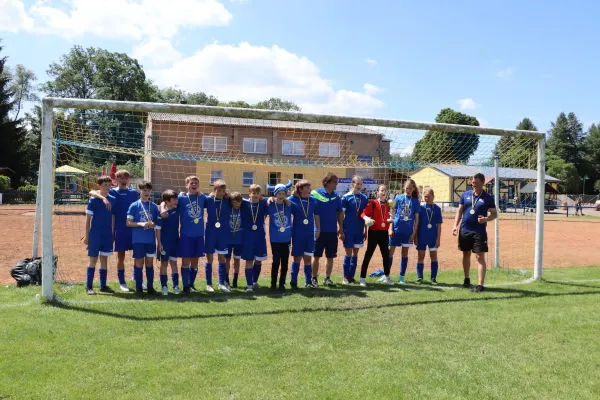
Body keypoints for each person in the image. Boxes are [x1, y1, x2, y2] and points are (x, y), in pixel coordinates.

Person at [89, 169, 138, 292]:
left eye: (126, 178)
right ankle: (122, 282)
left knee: (138, 255)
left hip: (134, 228)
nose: (123, 180)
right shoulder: (112, 193)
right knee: (120, 256)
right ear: (116, 180)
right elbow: (92, 192)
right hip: (120, 229)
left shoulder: (134, 193)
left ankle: (136, 278)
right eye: (121, 178)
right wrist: (103, 198)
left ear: (128, 179)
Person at [452, 173, 497, 293]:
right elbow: (459, 211)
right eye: (472, 183)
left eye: (476, 183)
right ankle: (466, 279)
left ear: (483, 183)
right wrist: (455, 225)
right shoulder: (465, 195)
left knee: (479, 256)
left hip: (479, 231)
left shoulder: (488, 198)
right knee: (465, 254)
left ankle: (480, 285)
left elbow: (494, 214)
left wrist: (486, 219)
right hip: (464, 230)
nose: (473, 185)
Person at [174, 176, 208, 295]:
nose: (194, 184)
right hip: (186, 235)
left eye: (196, 183)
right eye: (191, 183)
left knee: (195, 263)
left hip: (198, 236)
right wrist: (162, 208)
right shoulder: (181, 198)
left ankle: (191, 283)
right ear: (187, 185)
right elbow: (165, 201)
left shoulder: (203, 197)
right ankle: (185, 286)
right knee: (185, 262)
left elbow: (217, 199)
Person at [126, 181, 161, 296]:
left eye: (149, 190)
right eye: (144, 190)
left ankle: (150, 287)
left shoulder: (154, 207)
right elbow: (128, 223)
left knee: (150, 264)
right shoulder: (134, 205)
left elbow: (157, 223)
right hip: (138, 240)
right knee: (139, 263)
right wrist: (140, 224)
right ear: (139, 191)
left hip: (150, 241)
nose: (147, 192)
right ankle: (139, 288)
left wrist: (153, 224)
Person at [83, 176, 116, 295]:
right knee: (93, 259)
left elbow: (113, 216)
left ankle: (103, 286)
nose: (107, 187)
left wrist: (112, 233)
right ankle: (89, 286)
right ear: (100, 186)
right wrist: (86, 236)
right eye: (105, 185)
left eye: (109, 185)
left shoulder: (113, 199)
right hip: (95, 233)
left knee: (104, 259)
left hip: (107, 234)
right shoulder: (93, 200)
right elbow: (87, 220)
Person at [311, 173, 344, 287]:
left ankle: (327, 278)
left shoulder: (336, 196)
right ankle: (314, 279)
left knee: (330, 256)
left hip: (332, 232)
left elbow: (340, 212)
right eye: (335, 182)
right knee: (316, 256)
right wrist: (318, 229)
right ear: (328, 182)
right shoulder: (315, 194)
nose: (337, 184)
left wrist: (341, 228)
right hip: (318, 231)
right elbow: (315, 213)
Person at [289, 180, 320, 289]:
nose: (309, 189)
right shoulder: (293, 200)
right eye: (306, 187)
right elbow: (281, 200)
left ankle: (308, 282)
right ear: (300, 189)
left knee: (307, 258)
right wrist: (270, 198)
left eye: (309, 186)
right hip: (297, 234)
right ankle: (293, 281)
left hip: (309, 234)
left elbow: (316, 216)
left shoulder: (313, 200)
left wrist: (318, 229)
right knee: (297, 258)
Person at [359, 184, 393, 286]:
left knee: (386, 256)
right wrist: (366, 219)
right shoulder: (373, 203)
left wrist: (391, 219)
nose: (384, 192)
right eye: (382, 190)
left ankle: (387, 277)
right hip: (373, 232)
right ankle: (362, 279)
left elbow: (390, 217)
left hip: (384, 233)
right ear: (377, 192)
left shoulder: (389, 204)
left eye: (385, 190)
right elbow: (362, 213)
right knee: (368, 254)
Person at [389, 179, 421, 284]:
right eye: (407, 188)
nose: (408, 190)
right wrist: (390, 228)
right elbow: (392, 214)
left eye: (410, 189)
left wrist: (413, 233)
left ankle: (401, 277)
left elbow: (417, 219)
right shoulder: (398, 198)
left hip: (408, 232)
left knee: (404, 253)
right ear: (404, 188)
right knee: (390, 252)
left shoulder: (415, 201)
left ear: (413, 189)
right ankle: (387, 275)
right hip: (396, 230)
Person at [205, 179, 233, 293]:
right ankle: (209, 284)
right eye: (218, 190)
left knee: (222, 259)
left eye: (223, 190)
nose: (221, 192)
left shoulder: (228, 201)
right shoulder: (208, 200)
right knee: (210, 259)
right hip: (211, 233)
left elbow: (240, 199)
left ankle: (221, 283)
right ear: (214, 190)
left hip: (223, 233)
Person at [240, 184, 269, 293]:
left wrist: (268, 198)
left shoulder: (263, 204)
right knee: (249, 261)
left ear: (260, 194)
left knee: (258, 261)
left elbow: (273, 200)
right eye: (253, 193)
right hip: (247, 238)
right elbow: (232, 198)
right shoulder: (244, 203)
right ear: (249, 194)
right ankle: (249, 285)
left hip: (260, 237)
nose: (255, 195)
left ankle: (254, 281)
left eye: (258, 193)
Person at [266, 180, 293, 291]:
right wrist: (268, 198)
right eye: (279, 193)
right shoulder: (270, 204)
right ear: (275, 194)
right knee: (276, 261)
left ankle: (282, 283)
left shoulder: (289, 205)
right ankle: (273, 283)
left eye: (283, 193)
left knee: (285, 262)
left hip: (286, 239)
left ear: (286, 194)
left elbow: (296, 197)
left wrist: (287, 200)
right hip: (275, 239)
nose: (281, 196)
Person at [341, 176, 369, 284]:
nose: (359, 186)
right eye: (357, 184)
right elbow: (341, 215)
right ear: (352, 184)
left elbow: (365, 215)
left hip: (359, 230)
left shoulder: (364, 198)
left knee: (355, 254)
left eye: (360, 184)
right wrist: (341, 229)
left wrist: (365, 230)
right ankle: (345, 277)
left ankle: (351, 277)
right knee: (348, 253)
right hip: (348, 229)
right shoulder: (346, 197)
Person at [415, 188, 442, 284]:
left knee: (433, 257)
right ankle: (419, 277)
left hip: (433, 238)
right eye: (425, 197)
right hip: (421, 237)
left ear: (433, 197)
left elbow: (439, 226)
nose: (426, 198)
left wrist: (438, 239)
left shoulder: (438, 209)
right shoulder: (420, 208)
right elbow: (416, 224)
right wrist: (415, 237)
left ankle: (433, 278)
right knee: (420, 256)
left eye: (428, 197)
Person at [157, 190, 180, 295]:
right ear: (167, 201)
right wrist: (159, 243)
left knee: (174, 263)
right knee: (164, 263)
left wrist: (162, 205)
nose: (176, 201)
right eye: (174, 199)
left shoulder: (177, 209)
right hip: (164, 242)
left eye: (176, 199)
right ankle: (164, 286)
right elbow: (158, 229)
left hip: (175, 241)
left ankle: (176, 285)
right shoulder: (162, 213)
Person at [226, 192, 244, 288]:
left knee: (237, 260)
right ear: (231, 202)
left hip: (239, 240)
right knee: (227, 260)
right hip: (227, 240)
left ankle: (235, 280)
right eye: (234, 202)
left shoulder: (243, 209)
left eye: (239, 202)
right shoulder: (228, 209)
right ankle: (226, 280)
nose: (237, 204)